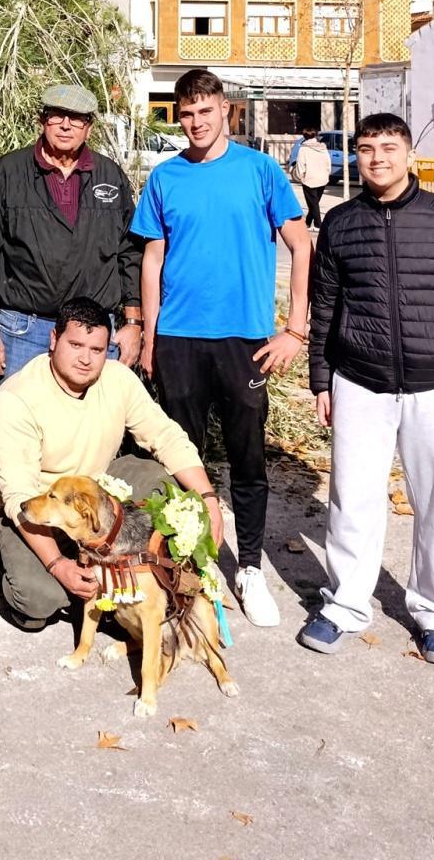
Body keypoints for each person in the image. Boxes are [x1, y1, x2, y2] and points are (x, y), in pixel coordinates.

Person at [299, 113, 434, 664]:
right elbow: (325, 310)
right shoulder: (341, 224)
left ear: (408, 155)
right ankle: (346, 605)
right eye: (366, 149)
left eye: (389, 148)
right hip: (359, 383)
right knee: (353, 499)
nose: (377, 159)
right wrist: (321, 380)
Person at [132, 68, 311, 628]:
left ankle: (250, 568)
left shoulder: (259, 171)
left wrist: (296, 327)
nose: (195, 123)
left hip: (244, 340)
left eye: (205, 112)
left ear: (226, 111)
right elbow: (153, 260)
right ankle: (189, 566)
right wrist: (151, 337)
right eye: (185, 114)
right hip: (180, 340)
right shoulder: (165, 178)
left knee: (247, 457)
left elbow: (301, 246)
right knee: (180, 458)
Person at [0, 297, 223, 631]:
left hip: (94, 502)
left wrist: (208, 499)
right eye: (76, 345)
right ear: (53, 341)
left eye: (96, 350)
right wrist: (57, 566)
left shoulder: (118, 379)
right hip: (36, 510)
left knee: (155, 478)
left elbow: (166, 436)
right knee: (37, 602)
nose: (85, 359)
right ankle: (9, 560)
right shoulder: (16, 399)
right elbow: (18, 496)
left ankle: (114, 578)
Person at [0, 83, 143, 381]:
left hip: (92, 334)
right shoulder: (9, 172)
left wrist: (133, 323)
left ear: (88, 127)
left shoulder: (109, 175)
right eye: (57, 116)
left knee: (92, 425)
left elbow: (129, 252)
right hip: (22, 330)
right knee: (19, 423)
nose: (66, 125)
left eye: (76, 118)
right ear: (43, 121)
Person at [293, 126, 331, 231]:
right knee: (314, 203)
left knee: (313, 204)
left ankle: (319, 225)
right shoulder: (323, 147)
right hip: (323, 178)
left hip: (309, 179)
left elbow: (301, 165)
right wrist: (327, 174)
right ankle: (308, 222)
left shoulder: (303, 149)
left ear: (304, 136)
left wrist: (300, 176)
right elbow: (328, 162)